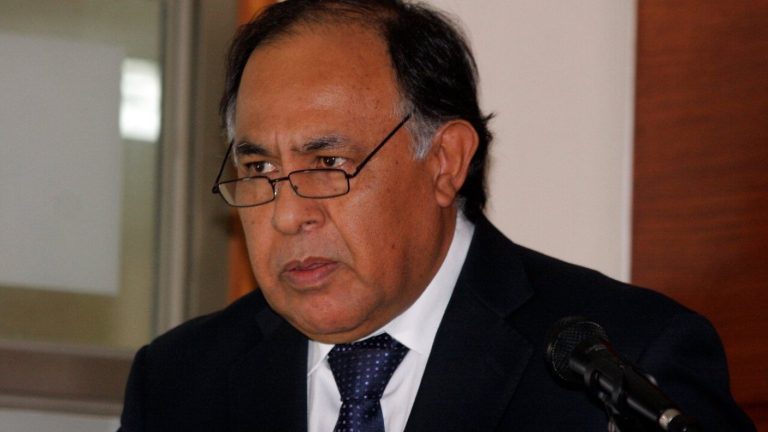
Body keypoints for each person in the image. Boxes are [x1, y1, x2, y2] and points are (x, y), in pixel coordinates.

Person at [119, 1, 755, 431]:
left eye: (328, 162)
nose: (287, 216)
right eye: (259, 168)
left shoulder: (620, 365)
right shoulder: (180, 382)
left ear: (445, 161)